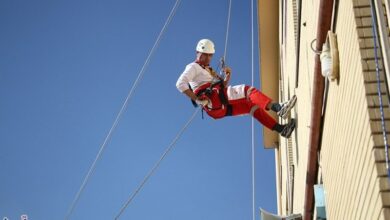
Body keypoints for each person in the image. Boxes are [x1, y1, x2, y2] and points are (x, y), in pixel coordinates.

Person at [176, 39, 296, 138]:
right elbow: (180, 83)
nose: (207, 58)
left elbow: (223, 86)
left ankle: (282, 129)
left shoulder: (208, 70)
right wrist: (197, 99)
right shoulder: (193, 66)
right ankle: (279, 108)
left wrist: (227, 76)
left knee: (251, 107)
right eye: (205, 54)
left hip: (217, 106)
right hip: (213, 99)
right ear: (197, 52)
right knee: (248, 91)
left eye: (210, 55)